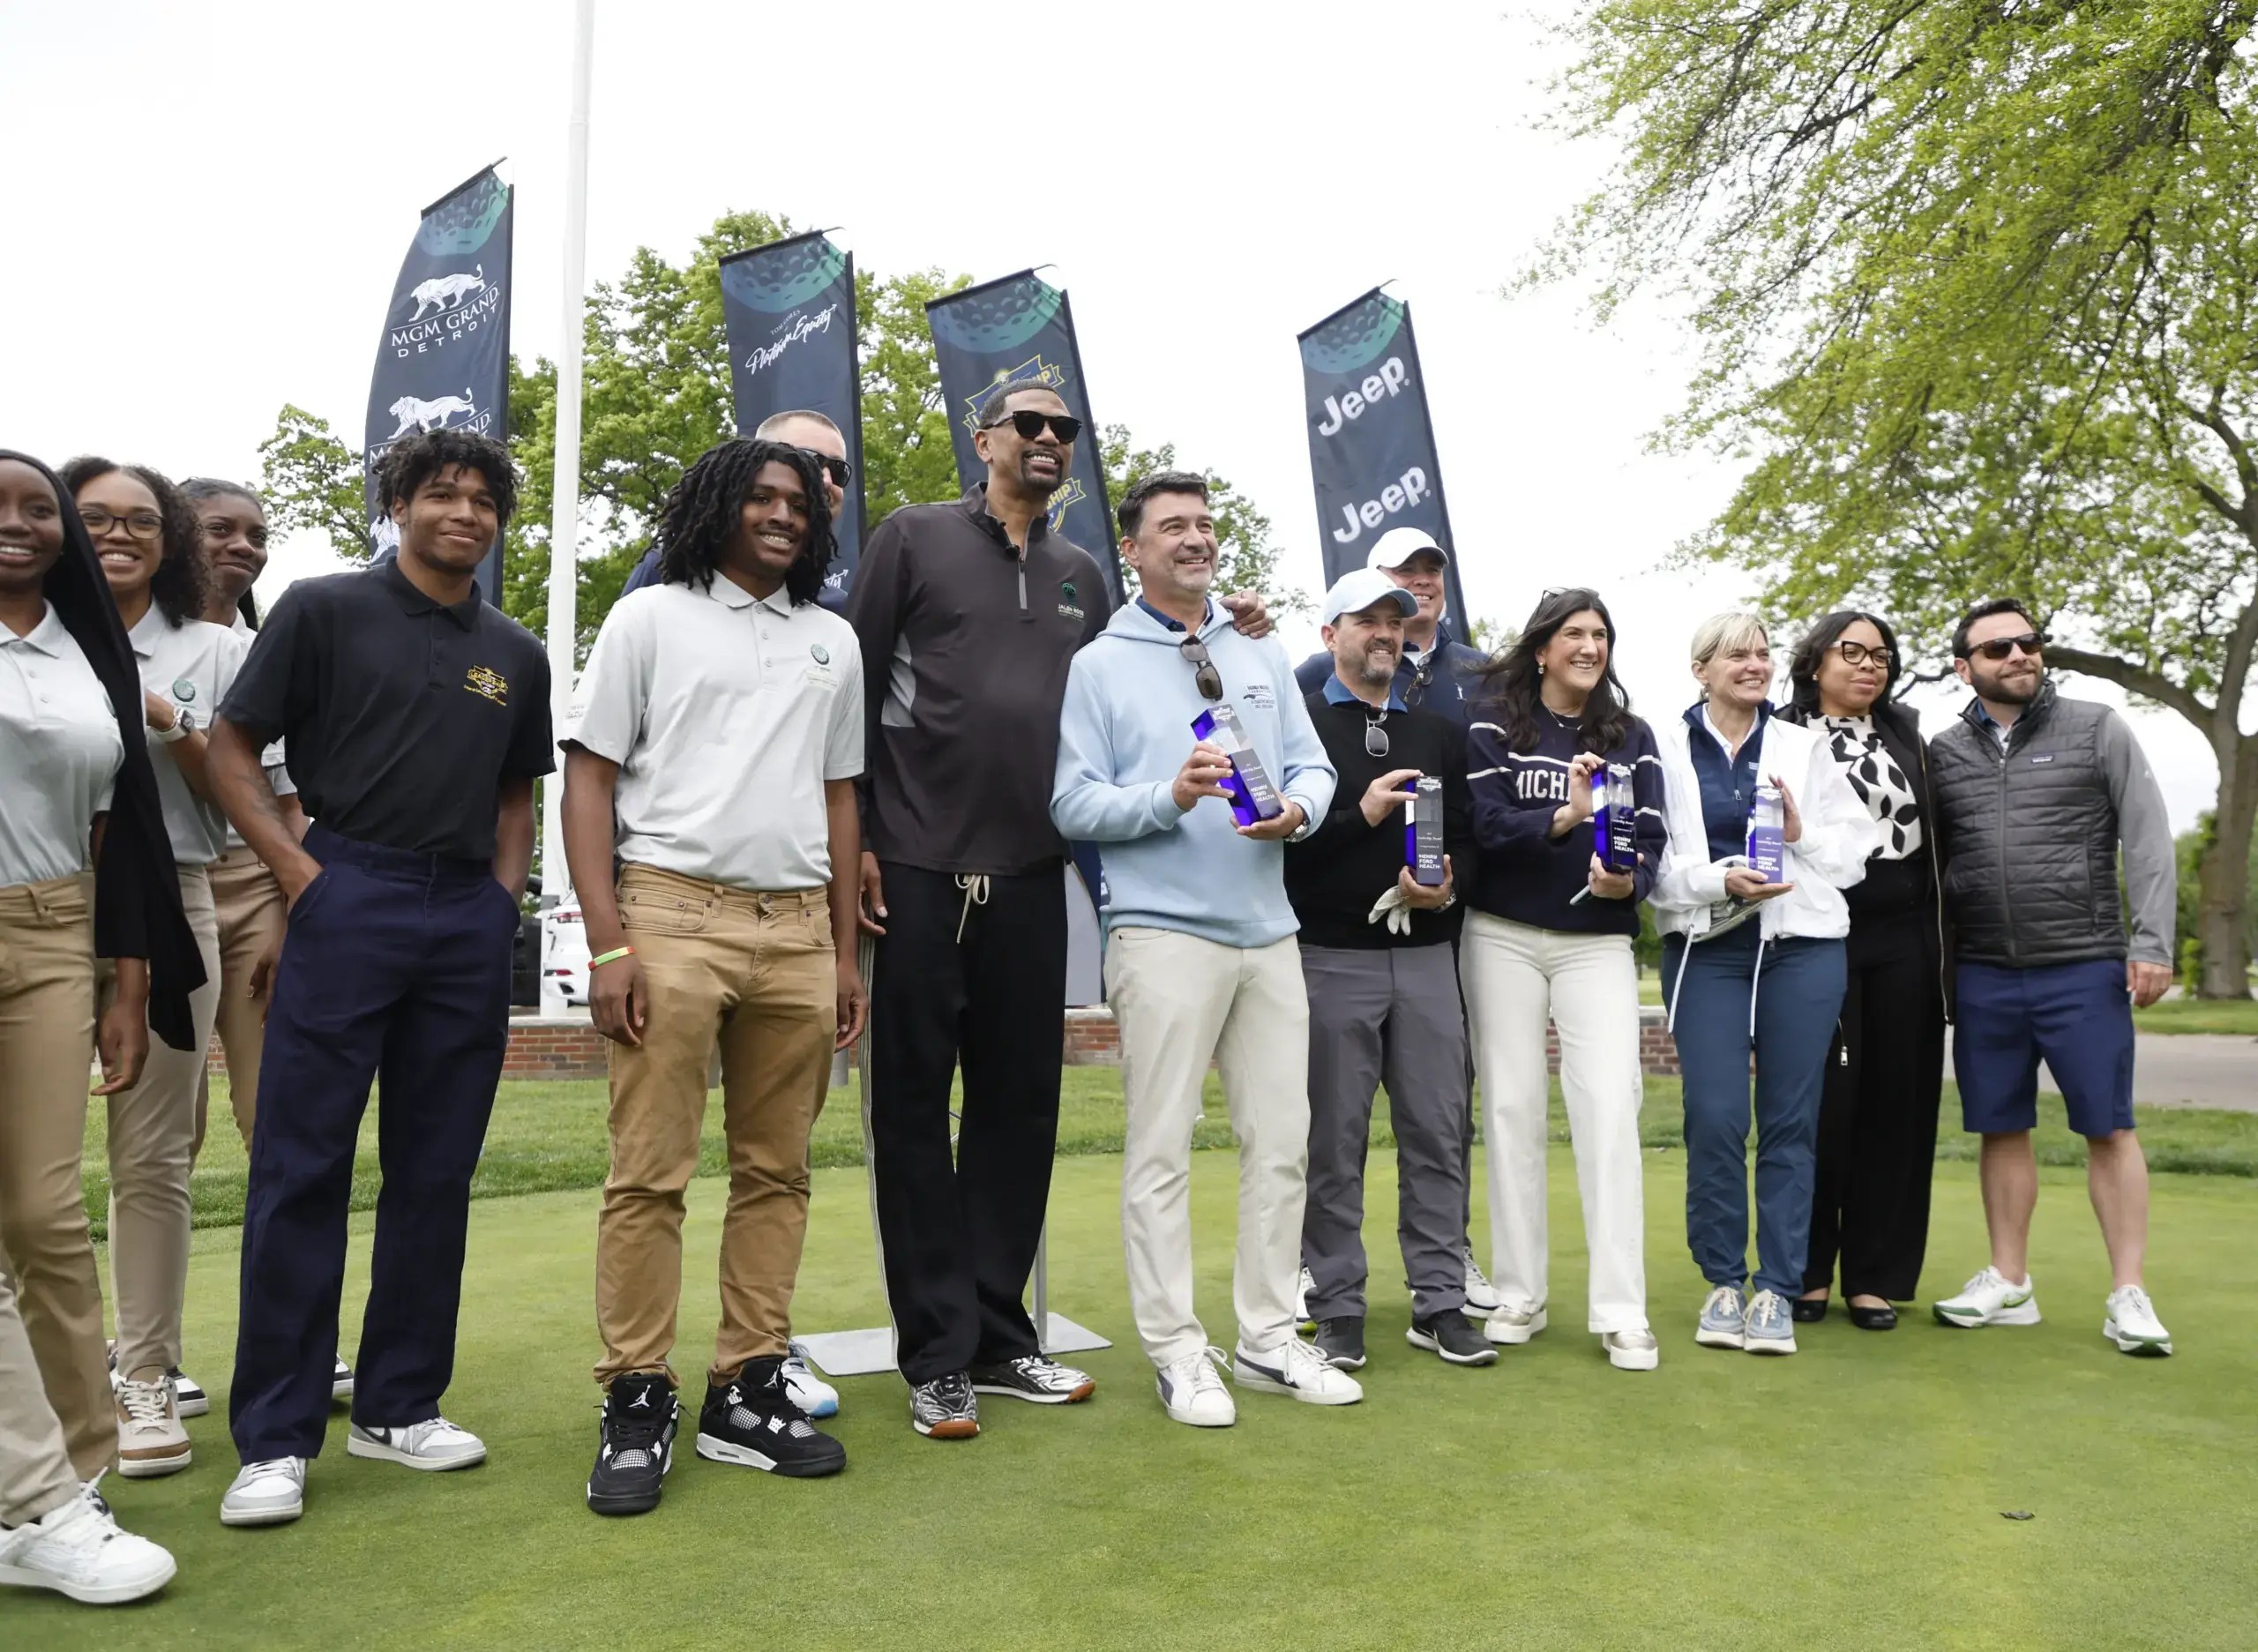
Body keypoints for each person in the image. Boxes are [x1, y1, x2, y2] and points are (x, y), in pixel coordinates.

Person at [846, 379, 1270, 1439]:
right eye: (1025, 425)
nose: (1044, 439)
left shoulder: (1085, 573)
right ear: (983, 438)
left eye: (1061, 429)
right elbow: (843, 698)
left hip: (1037, 876)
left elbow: (1171, 655)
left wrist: (1243, 620)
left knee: (1018, 1112)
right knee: (910, 1119)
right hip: (912, 868)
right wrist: (847, 847)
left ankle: (998, 1338)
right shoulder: (911, 539)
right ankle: (934, 1356)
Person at [206, 428, 551, 1527]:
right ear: (397, 505)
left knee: (435, 1166)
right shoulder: (321, 608)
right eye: (440, 493)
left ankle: (399, 1402)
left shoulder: (515, 648)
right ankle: (274, 1434)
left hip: (465, 916)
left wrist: (501, 899)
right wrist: (300, 871)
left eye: (483, 498)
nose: (465, 512)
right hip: (346, 886)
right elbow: (228, 743)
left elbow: (514, 794)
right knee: (303, 1162)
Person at [562, 439, 865, 1515]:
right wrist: (606, 942)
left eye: (798, 503)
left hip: (795, 931)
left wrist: (840, 952)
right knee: (650, 1173)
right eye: (761, 498)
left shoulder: (833, 637)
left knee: (776, 1172)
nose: (783, 515)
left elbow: (839, 800)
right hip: (669, 911)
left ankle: (746, 1383)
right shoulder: (649, 615)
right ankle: (637, 1393)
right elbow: (588, 779)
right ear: (718, 506)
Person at [1053, 469, 1351, 1426]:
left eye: (1205, 525)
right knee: (1162, 1150)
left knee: (1281, 1144)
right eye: (1172, 526)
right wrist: (1168, 796)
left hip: (1269, 932)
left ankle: (1266, 1339)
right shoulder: (1099, 664)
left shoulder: (1257, 651)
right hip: (1160, 931)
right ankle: (1179, 1351)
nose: (1194, 538)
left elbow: (1311, 762)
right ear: (1133, 551)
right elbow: (1072, 802)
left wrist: (1301, 811)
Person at [0, 450, 198, 1491]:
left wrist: (130, 988)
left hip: (51, 934)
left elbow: (128, 838)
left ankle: (78, 1482)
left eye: (40, 510)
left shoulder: (94, 656)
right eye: (3, 505)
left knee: (41, 1215)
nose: (21, 524)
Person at [1925, 599, 2177, 1354]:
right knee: (2000, 1126)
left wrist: (2154, 941)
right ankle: (2010, 1281)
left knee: (2109, 1126)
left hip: (2084, 964)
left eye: (2028, 643)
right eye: (1998, 647)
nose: (2019, 656)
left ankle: (2129, 1292)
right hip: (1984, 973)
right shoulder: (1941, 751)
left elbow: (2149, 836)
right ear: (1964, 667)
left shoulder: (2097, 727)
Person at [64, 458, 240, 1479]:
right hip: (38, 900)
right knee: (28, 1168)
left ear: (170, 538)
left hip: (174, 897)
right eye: (97, 518)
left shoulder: (214, 647)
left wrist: (166, 713)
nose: (121, 534)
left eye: (142, 520)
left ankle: (145, 1374)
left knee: (154, 1159)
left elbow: (233, 799)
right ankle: (59, 1365)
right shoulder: (28, 634)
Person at [1651, 612, 1875, 1357]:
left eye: (1761, 652)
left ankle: (1776, 1290)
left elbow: (1853, 855)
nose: (1754, 663)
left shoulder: (1807, 746)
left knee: (1789, 1122)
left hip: (1803, 949)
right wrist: (1720, 877)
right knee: (1715, 1117)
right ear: (1701, 669)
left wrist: (1802, 832)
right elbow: (1653, 869)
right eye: (1735, 654)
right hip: (1707, 949)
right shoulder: (1665, 747)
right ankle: (1724, 1280)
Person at [1458, 587, 1665, 1370]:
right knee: (1511, 1107)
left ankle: (1622, 1310)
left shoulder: (1631, 736)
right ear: (1541, 647)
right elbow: (1485, 824)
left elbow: (1649, 838)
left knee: (1609, 1106)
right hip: (1503, 935)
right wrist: (1564, 816)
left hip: (1595, 943)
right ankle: (1519, 1294)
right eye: (1574, 633)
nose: (1590, 645)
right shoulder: (1491, 722)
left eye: (1601, 633)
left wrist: (1628, 882)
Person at [1285, 568, 1486, 1372]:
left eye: (1396, 621)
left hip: (1429, 958)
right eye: (1367, 619)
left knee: (1439, 1133)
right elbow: (1279, 846)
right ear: (1331, 632)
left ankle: (1439, 1302)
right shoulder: (1299, 729)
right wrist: (1358, 815)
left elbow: (1467, 838)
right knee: (1333, 1141)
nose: (1385, 633)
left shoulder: (1438, 732)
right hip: (1330, 957)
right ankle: (1336, 1303)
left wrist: (1444, 886)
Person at [178, 479, 347, 1412]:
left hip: (258, 887)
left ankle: (291, 1347)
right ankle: (143, 1356)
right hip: (155, 887)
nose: (243, 548)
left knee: (275, 1121)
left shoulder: (257, 645)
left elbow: (284, 798)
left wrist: (292, 900)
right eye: (219, 531)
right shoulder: (112, 636)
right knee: (167, 1135)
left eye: (256, 534)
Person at [1778, 612, 1946, 1332]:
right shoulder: (1782, 734)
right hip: (1822, 931)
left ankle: (1873, 1276)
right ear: (1816, 660)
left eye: (1882, 655)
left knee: (1895, 1101)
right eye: (1853, 651)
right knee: (1826, 1102)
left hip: (1906, 937)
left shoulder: (1907, 733)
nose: (1870, 665)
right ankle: (1809, 1269)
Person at [618, 411, 851, 600]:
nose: (826, 480)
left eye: (838, 470)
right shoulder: (664, 576)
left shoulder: (838, 613)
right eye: (809, 460)